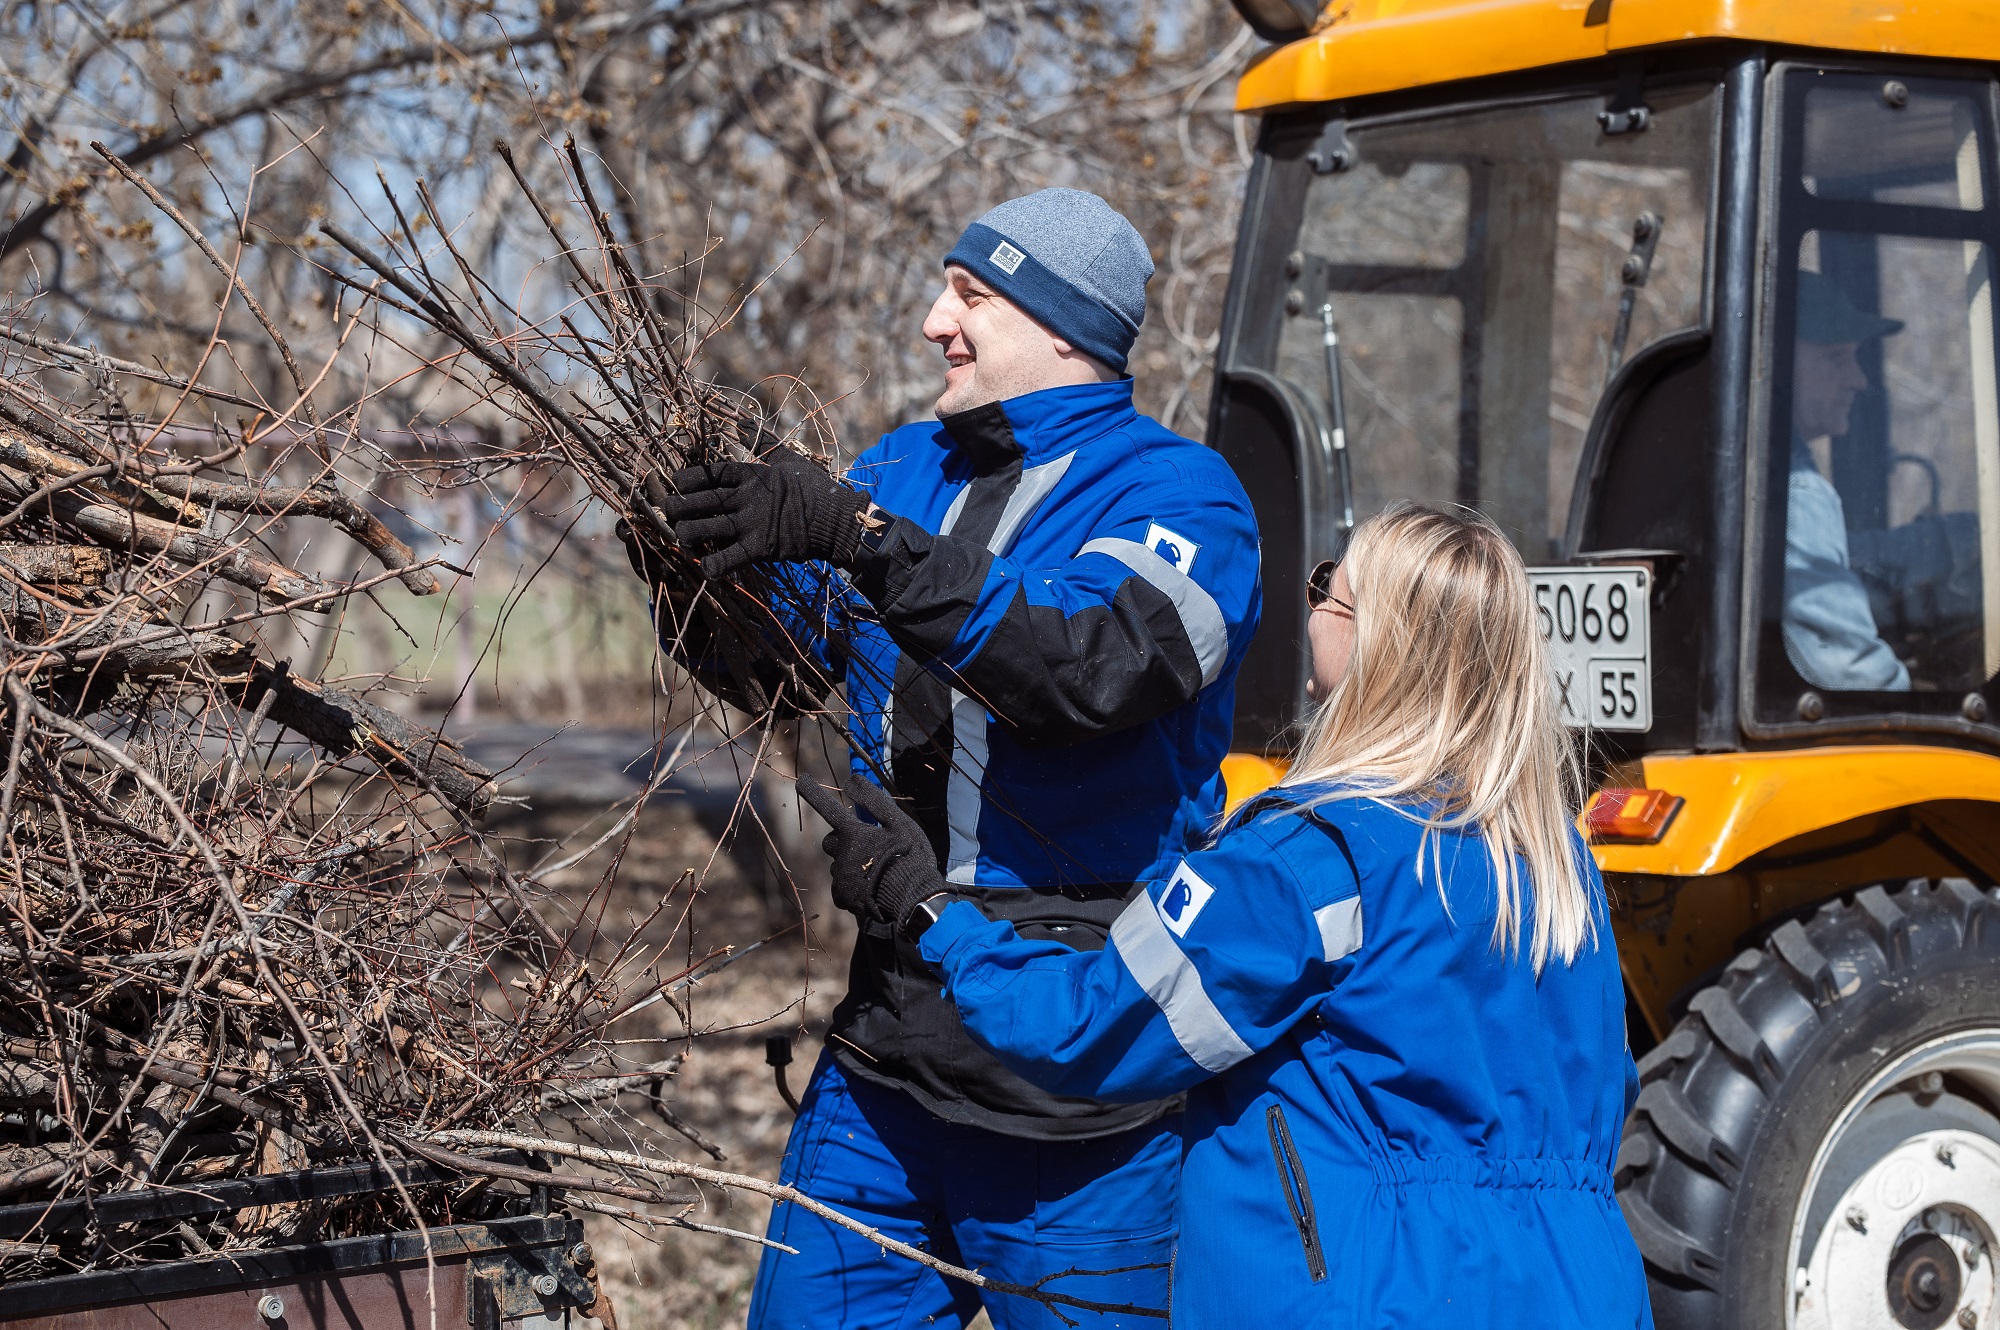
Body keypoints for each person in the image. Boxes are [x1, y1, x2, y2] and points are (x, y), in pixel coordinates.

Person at [625, 188, 1261, 1327]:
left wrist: (857, 540)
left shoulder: (1182, 494)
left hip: (1082, 1085)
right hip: (886, 1059)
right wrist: (693, 578)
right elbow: (783, 673)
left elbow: (1090, 665)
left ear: (1062, 329)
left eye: (969, 296)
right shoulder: (902, 466)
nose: (933, 321)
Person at [802, 502, 1651, 1328]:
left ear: (1378, 642)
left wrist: (931, 915)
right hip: (1579, 1287)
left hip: (1366, 1292)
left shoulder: (1310, 858)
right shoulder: (1552, 861)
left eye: (1330, 588)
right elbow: (1608, 1087)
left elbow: (1091, 1026)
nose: (1314, 606)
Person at [1784, 270, 1911, 691]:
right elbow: (1852, 673)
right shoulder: (1796, 493)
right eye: (1836, 358)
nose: (1859, 379)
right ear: (1776, 363)